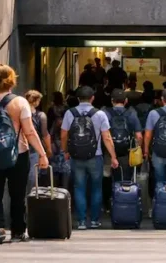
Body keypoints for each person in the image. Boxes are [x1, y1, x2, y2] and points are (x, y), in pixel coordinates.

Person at [0, 64, 48, 244]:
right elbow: (29, 131)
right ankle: (17, 230)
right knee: (17, 194)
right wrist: (42, 154)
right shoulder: (19, 102)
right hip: (18, 154)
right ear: (11, 80)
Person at [61, 85, 118, 230]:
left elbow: (63, 135)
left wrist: (65, 151)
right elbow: (107, 137)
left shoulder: (70, 113)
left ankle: (81, 221)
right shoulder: (100, 114)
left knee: (79, 188)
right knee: (96, 188)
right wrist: (113, 156)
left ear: (78, 98)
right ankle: (94, 220)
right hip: (95, 156)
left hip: (76, 157)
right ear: (92, 98)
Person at [106, 88, 143, 184]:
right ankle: (124, 195)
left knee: (108, 179)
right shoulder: (132, 113)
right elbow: (139, 136)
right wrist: (138, 150)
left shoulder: (105, 113)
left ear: (112, 101)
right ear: (126, 101)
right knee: (126, 178)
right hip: (126, 153)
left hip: (108, 153)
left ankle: (110, 196)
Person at [24, 90, 53, 189]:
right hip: (34, 150)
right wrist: (48, 149)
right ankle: (30, 200)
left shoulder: (20, 113)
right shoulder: (41, 116)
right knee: (33, 177)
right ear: (36, 101)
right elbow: (45, 135)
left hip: (20, 149)